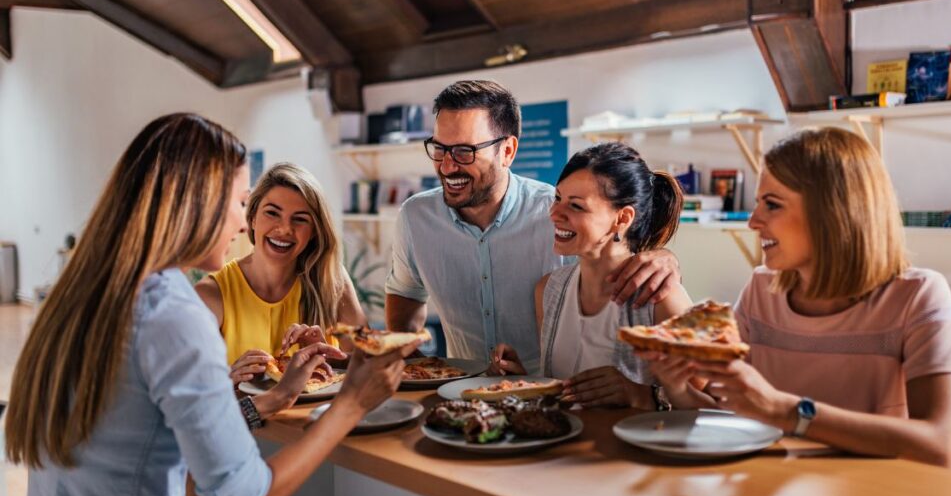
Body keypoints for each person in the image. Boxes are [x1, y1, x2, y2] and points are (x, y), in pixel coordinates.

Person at [4, 113, 417, 496]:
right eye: (243, 203)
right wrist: (353, 402)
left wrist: (272, 400)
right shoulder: (174, 316)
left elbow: (151, 425)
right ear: (199, 203)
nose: (244, 224)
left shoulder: (85, 293)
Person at [643, 127, 951, 466]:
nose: (754, 222)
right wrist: (679, 390)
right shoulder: (761, 289)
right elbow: (738, 421)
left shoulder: (918, 295)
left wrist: (786, 411)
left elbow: (939, 445)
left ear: (833, 210)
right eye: (758, 204)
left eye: (772, 205)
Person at [385, 80, 681, 372]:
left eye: (464, 151)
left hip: (544, 399)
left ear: (508, 151)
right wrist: (416, 369)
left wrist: (665, 257)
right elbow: (405, 293)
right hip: (460, 394)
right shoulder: (416, 217)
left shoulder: (553, 214)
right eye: (440, 149)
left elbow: (618, 253)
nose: (447, 166)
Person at [491, 143, 694, 408]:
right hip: (562, 448)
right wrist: (525, 381)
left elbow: (703, 411)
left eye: (575, 206)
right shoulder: (549, 291)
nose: (554, 214)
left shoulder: (662, 300)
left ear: (622, 219)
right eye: (557, 198)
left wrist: (644, 395)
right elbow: (563, 393)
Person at [196, 162, 366, 398]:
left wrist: (328, 358)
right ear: (252, 218)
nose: (284, 229)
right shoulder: (210, 295)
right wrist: (226, 378)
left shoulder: (331, 279)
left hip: (319, 425)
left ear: (315, 231)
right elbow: (185, 398)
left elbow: (367, 367)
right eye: (272, 213)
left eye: (300, 219)